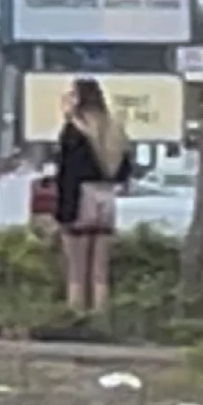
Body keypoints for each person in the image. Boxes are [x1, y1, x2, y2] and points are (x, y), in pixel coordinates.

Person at [54, 77, 132, 313]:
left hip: (81, 199)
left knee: (76, 273)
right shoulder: (113, 128)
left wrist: (63, 214)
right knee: (100, 272)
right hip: (106, 198)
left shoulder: (74, 131)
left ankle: (76, 316)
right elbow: (124, 170)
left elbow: (68, 173)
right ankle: (101, 316)